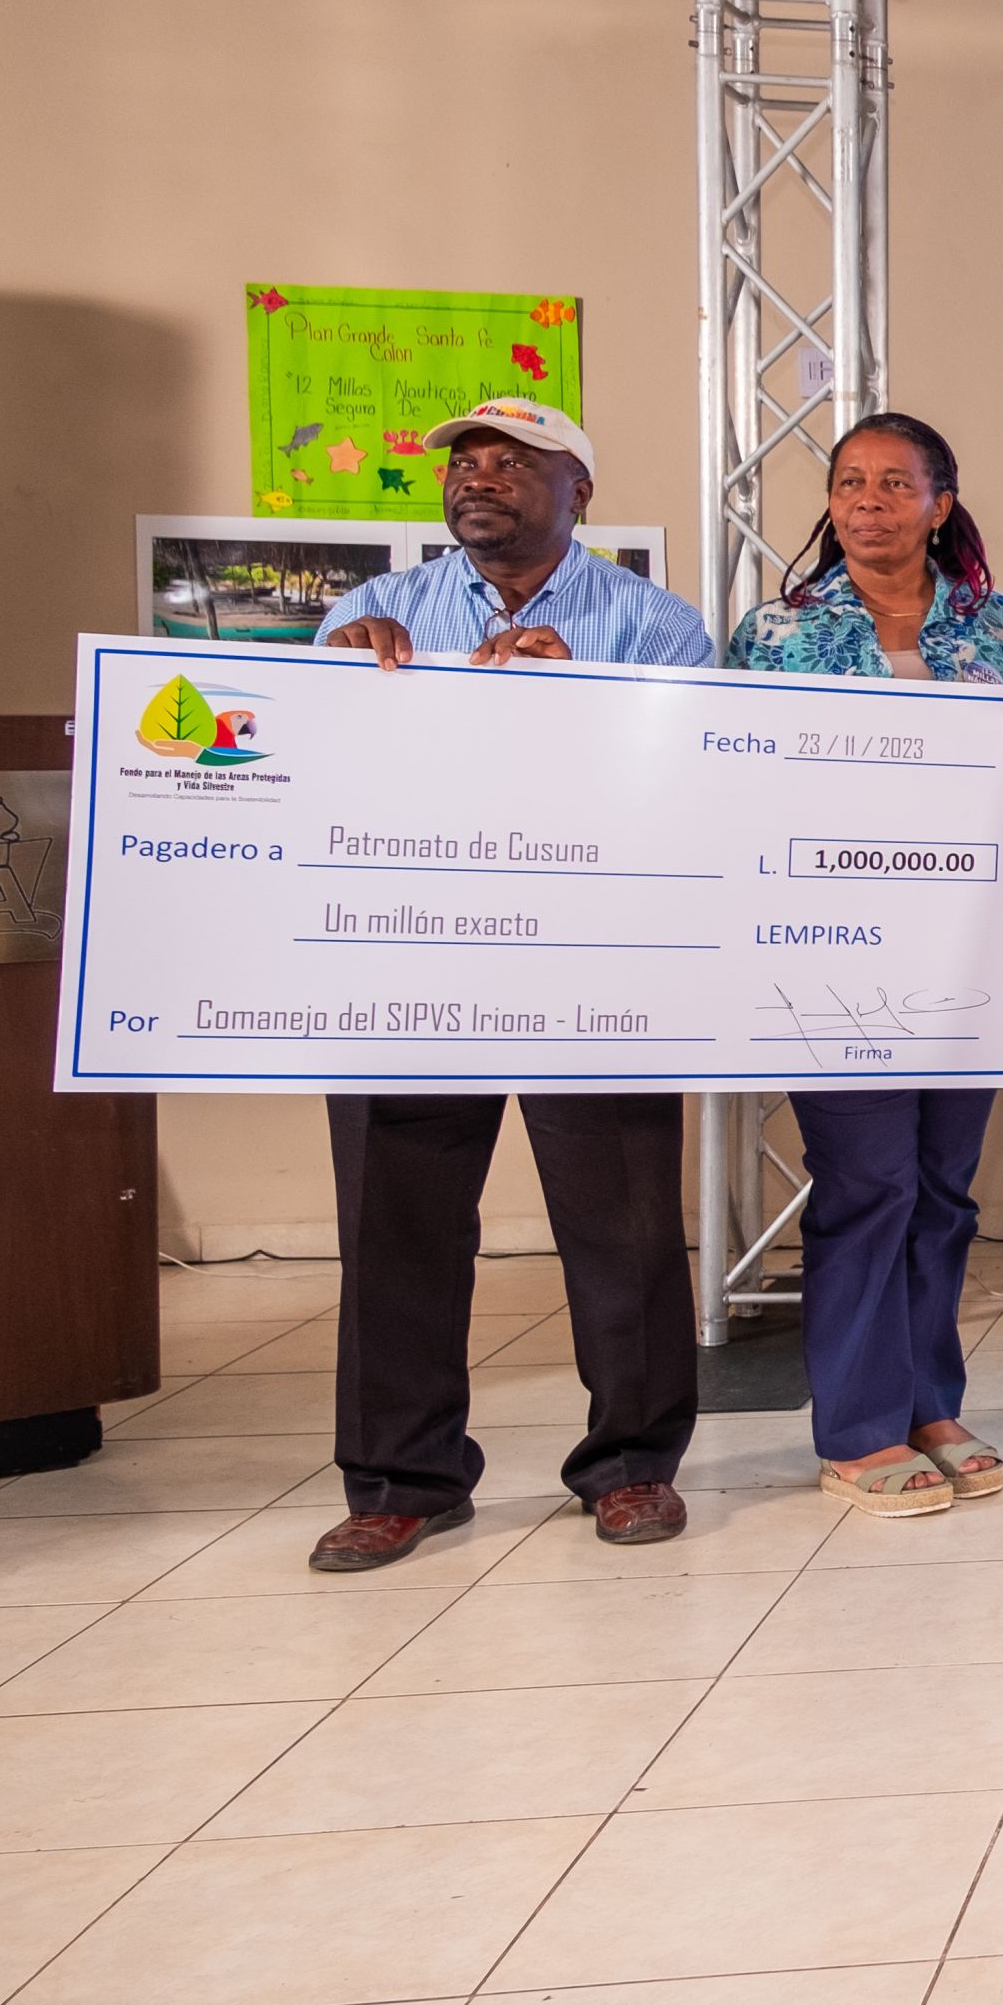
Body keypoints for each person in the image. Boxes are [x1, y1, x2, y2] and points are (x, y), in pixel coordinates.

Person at [302, 397, 719, 1572]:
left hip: (591, 960)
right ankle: (402, 1479)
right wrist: (330, 698)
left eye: (512, 462)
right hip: (410, 961)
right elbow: (317, 793)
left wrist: (583, 704)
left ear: (577, 490)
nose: (477, 478)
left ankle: (632, 1467)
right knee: (396, 1224)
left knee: (626, 1224)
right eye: (464, 463)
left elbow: (691, 797)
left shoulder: (655, 625)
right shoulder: (369, 616)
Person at [728, 413, 1003, 1516]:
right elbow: (738, 787)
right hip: (832, 950)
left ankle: (930, 1398)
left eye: (894, 482)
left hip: (968, 944)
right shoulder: (774, 633)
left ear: (940, 500)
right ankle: (859, 1423)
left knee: (940, 1191)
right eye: (848, 482)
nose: (868, 500)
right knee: (864, 1182)